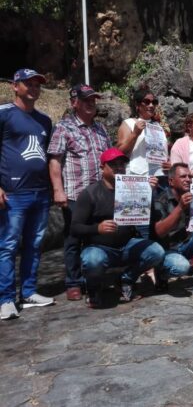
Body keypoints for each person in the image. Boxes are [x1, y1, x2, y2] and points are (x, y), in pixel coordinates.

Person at [71, 148, 165, 307]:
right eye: (113, 164)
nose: (119, 167)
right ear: (102, 167)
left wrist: (147, 192)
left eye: (122, 164)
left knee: (157, 251)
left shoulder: (132, 188)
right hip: (99, 247)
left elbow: (148, 217)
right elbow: (74, 228)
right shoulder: (89, 193)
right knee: (92, 260)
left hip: (127, 245)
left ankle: (125, 279)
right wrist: (97, 229)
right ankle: (93, 289)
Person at [0, 68, 55, 320]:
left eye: (37, 84)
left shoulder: (44, 120)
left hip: (40, 192)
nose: (34, 88)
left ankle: (29, 291)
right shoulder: (4, 114)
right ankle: (6, 298)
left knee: (34, 244)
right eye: (28, 84)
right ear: (15, 85)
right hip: (13, 192)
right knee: (8, 246)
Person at [48, 84, 111, 301]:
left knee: (96, 237)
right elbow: (55, 161)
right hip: (76, 194)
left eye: (93, 99)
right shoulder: (63, 128)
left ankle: (92, 280)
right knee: (73, 239)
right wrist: (58, 190)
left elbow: (108, 162)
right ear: (74, 102)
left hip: (99, 196)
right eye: (86, 99)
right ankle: (73, 282)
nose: (91, 103)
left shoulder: (101, 128)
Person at [152, 163, 193, 295]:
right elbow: (159, 232)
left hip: (185, 244)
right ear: (171, 181)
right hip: (167, 250)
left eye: (189, 176)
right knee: (181, 267)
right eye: (183, 176)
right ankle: (161, 274)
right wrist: (180, 207)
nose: (188, 179)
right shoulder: (161, 200)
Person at [116, 88, 170, 178]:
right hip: (138, 177)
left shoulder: (159, 127)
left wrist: (168, 163)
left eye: (154, 102)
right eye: (147, 102)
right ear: (137, 105)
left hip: (160, 176)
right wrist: (135, 134)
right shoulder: (129, 123)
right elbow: (119, 152)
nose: (151, 105)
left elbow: (163, 153)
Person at [170, 113, 193, 183]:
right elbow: (175, 168)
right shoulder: (180, 144)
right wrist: (191, 173)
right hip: (192, 189)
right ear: (189, 127)